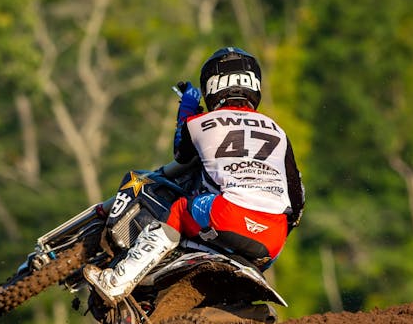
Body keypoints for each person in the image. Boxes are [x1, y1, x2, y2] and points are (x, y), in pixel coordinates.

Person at [85, 46, 305, 304]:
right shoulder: (278, 131)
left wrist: (187, 109)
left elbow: (182, 154)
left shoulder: (201, 122)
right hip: (272, 238)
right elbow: (297, 199)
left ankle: (117, 281)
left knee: (180, 208)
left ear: (212, 85)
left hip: (227, 216)